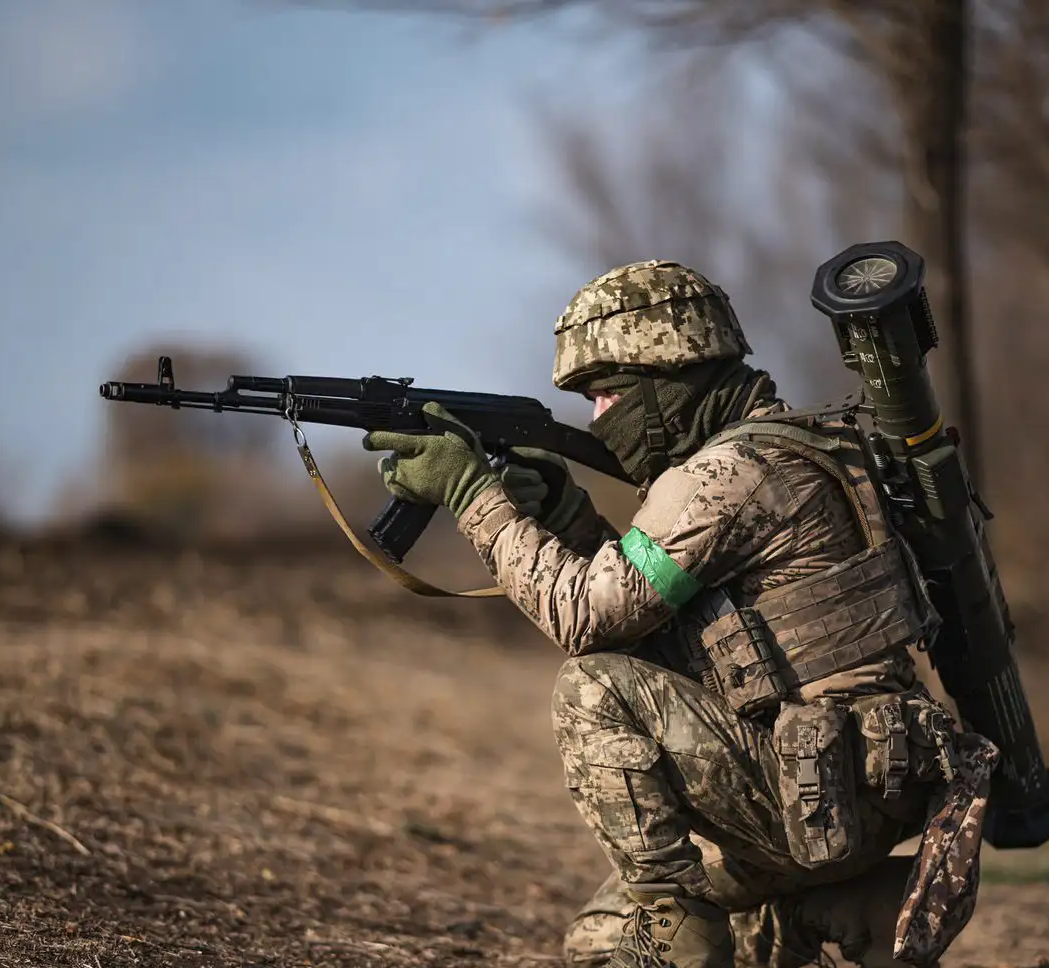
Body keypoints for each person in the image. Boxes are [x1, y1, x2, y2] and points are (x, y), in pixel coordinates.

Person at [361, 261, 982, 968]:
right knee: (598, 937)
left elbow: (586, 620)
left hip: (817, 796)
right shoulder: (793, 450)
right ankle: (834, 906)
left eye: (605, 394)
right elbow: (663, 619)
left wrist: (473, 493)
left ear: (668, 377)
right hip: (848, 791)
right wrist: (566, 517)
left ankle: (692, 938)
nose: (598, 419)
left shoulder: (728, 475)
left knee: (592, 689)